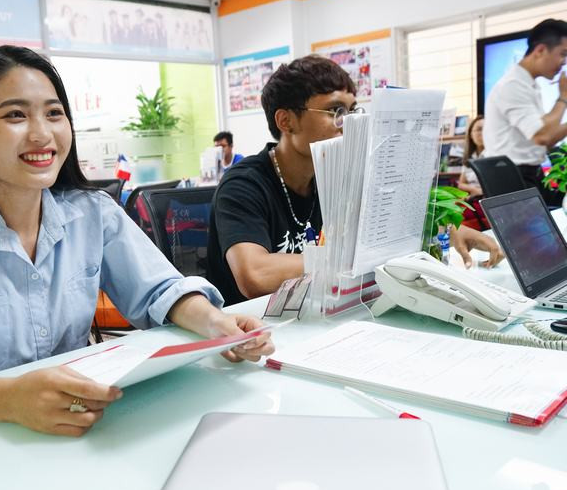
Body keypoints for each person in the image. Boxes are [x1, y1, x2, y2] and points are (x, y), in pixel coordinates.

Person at [0, 46, 273, 437]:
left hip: (73, 427)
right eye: (15, 115)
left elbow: (159, 289)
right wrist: (5, 400)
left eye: (54, 113)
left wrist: (215, 324)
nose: (42, 134)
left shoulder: (91, 213)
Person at [207, 55, 504, 306]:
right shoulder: (243, 185)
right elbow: (255, 275)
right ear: (286, 121)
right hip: (252, 329)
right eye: (335, 111)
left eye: (352, 110)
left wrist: (445, 230)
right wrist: (352, 257)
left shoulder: (338, 172)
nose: (349, 122)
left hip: (319, 311)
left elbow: (385, 226)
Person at [484, 18, 567, 204]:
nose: (563, 63)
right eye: (562, 54)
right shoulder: (513, 85)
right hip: (510, 176)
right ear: (540, 50)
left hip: (527, 172)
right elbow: (543, 136)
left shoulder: (529, 84)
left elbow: (549, 137)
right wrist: (563, 97)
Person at [458, 115, 485, 198]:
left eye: (486, 129)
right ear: (470, 134)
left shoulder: (494, 155)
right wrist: (474, 190)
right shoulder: (470, 156)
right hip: (473, 198)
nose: (484, 132)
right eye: (479, 129)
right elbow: (461, 184)